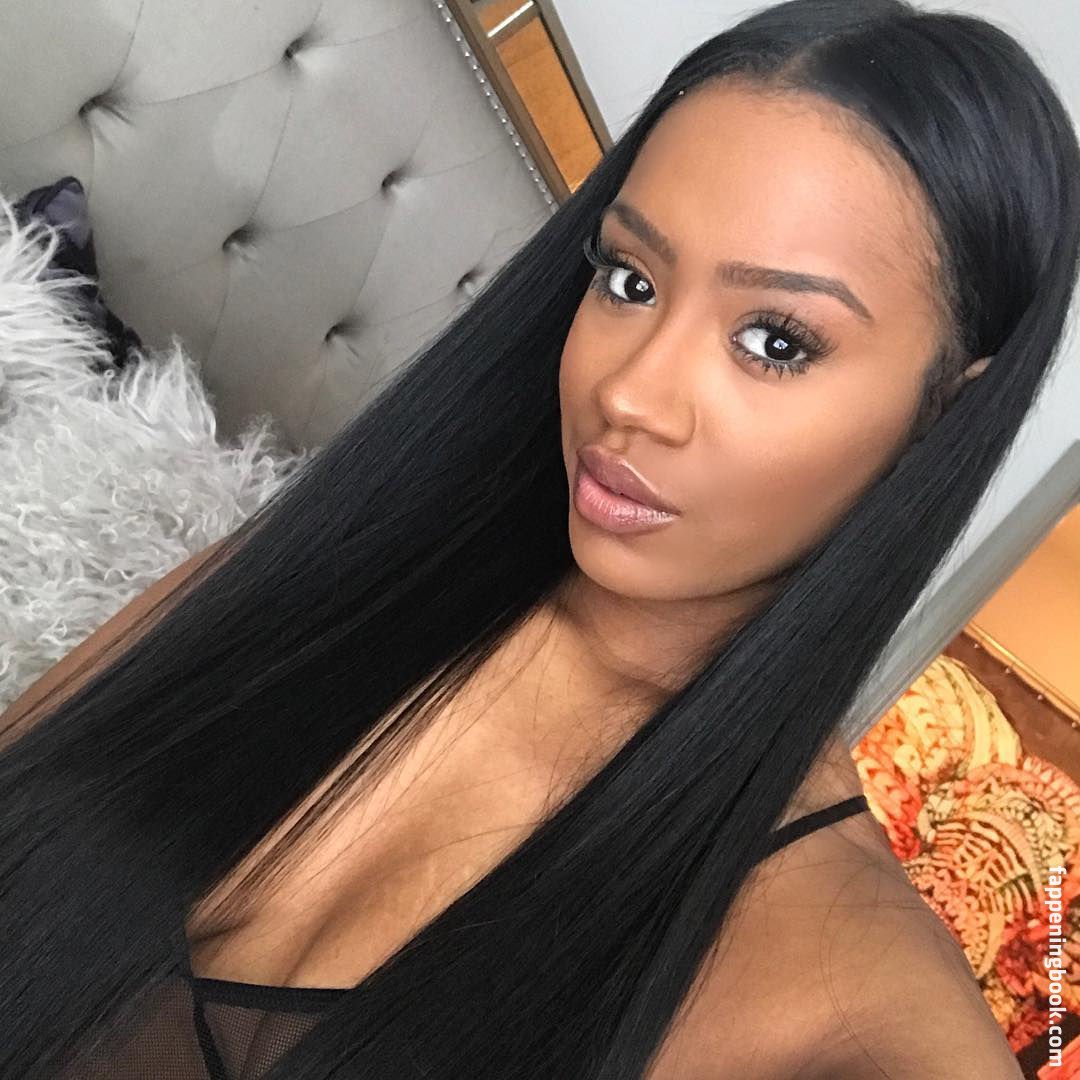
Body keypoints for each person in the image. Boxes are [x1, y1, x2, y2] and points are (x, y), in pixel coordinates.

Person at [0, 0, 1075, 1076]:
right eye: (630, 280)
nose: (630, 392)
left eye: (776, 341)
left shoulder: (853, 1003)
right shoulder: (339, 563)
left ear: (942, 410)